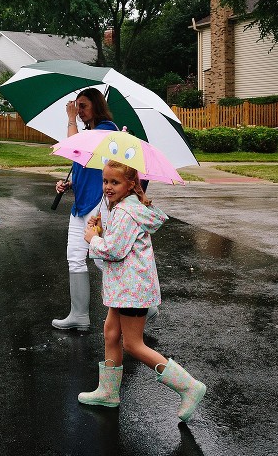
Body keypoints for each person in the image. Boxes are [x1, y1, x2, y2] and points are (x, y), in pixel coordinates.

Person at [78, 160, 206, 422]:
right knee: (111, 332)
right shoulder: (124, 207)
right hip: (124, 286)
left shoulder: (126, 212)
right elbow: (119, 242)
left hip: (131, 289)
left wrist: (93, 238)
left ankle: (189, 386)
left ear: (131, 184)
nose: (108, 187)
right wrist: (101, 229)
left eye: (115, 182)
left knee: (133, 344)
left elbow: (114, 250)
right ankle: (108, 392)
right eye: (105, 181)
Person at [51, 88, 117, 331]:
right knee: (75, 258)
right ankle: (79, 315)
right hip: (81, 205)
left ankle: (142, 308)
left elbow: (76, 148)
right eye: (76, 106)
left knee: (102, 259)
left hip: (98, 204)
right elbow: (83, 165)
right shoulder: (90, 132)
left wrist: (69, 120)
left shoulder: (108, 130)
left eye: (83, 106)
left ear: (96, 106)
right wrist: (69, 184)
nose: (78, 111)